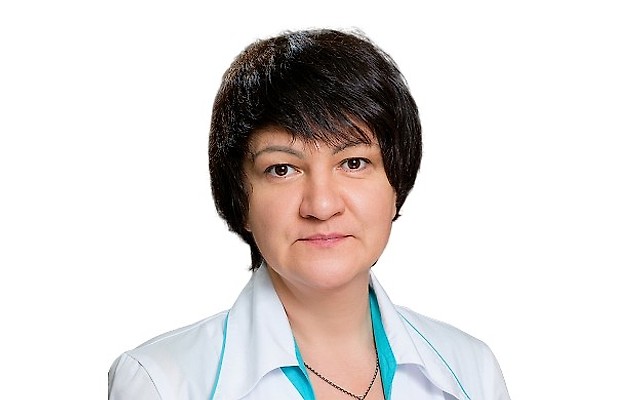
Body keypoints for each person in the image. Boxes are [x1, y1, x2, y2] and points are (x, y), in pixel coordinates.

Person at [108, 28, 511, 400]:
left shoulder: (471, 369)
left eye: (353, 163)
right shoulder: (161, 382)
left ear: (396, 186)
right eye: (282, 169)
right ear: (239, 199)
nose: (321, 206)